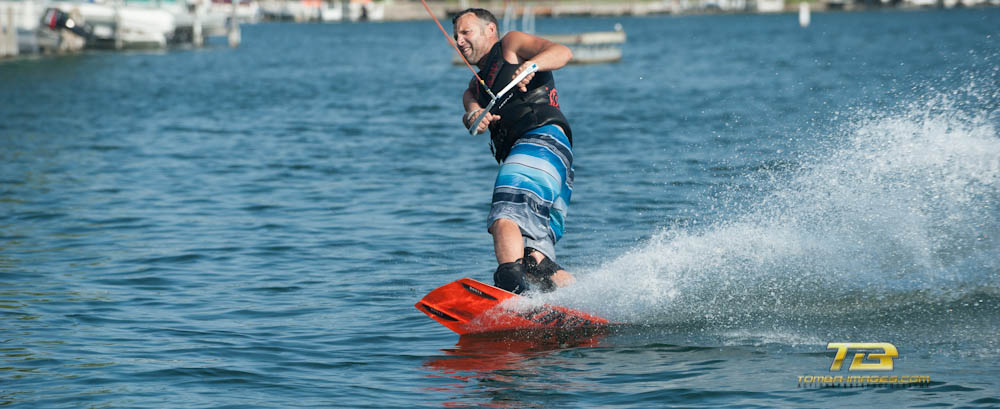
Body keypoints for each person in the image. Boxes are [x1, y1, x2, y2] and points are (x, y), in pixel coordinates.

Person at [452, 8, 576, 294]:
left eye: (465, 32)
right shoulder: (472, 89)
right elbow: (470, 114)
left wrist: (531, 65)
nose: (459, 41)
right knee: (535, 261)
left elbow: (562, 52)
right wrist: (475, 117)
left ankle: (510, 297)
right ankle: (586, 303)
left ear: (490, 30)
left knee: (505, 216)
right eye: (456, 36)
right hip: (553, 162)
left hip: (540, 141)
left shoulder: (510, 44)